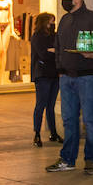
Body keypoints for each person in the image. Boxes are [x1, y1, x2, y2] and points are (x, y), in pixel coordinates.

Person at [46, 0, 93, 175]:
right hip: (66, 78)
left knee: (90, 120)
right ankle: (67, 159)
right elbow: (58, 46)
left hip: (88, 78)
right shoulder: (65, 20)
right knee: (68, 119)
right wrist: (60, 69)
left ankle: (92, 159)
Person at [29, 12, 61, 147]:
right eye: (50, 22)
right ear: (44, 22)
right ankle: (37, 133)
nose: (52, 24)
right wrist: (53, 51)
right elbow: (43, 54)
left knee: (51, 105)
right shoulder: (37, 36)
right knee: (41, 104)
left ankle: (53, 132)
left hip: (55, 73)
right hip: (42, 74)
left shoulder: (54, 35)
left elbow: (59, 50)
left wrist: (53, 50)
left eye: (53, 22)